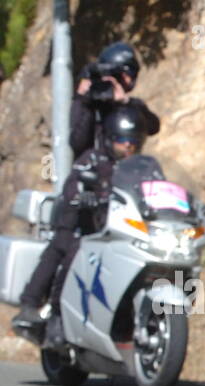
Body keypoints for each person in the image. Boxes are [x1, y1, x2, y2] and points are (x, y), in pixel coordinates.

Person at [11, 105, 147, 347]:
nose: (128, 146)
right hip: (84, 225)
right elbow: (73, 184)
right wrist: (84, 196)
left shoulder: (141, 168)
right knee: (71, 250)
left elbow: (154, 190)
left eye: (133, 142)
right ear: (111, 139)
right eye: (123, 140)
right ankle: (52, 314)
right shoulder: (93, 158)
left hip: (121, 229)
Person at [71, 42, 159, 156]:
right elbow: (77, 143)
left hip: (122, 169)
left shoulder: (131, 105)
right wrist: (85, 99)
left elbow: (153, 127)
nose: (125, 79)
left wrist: (124, 102)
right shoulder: (86, 104)